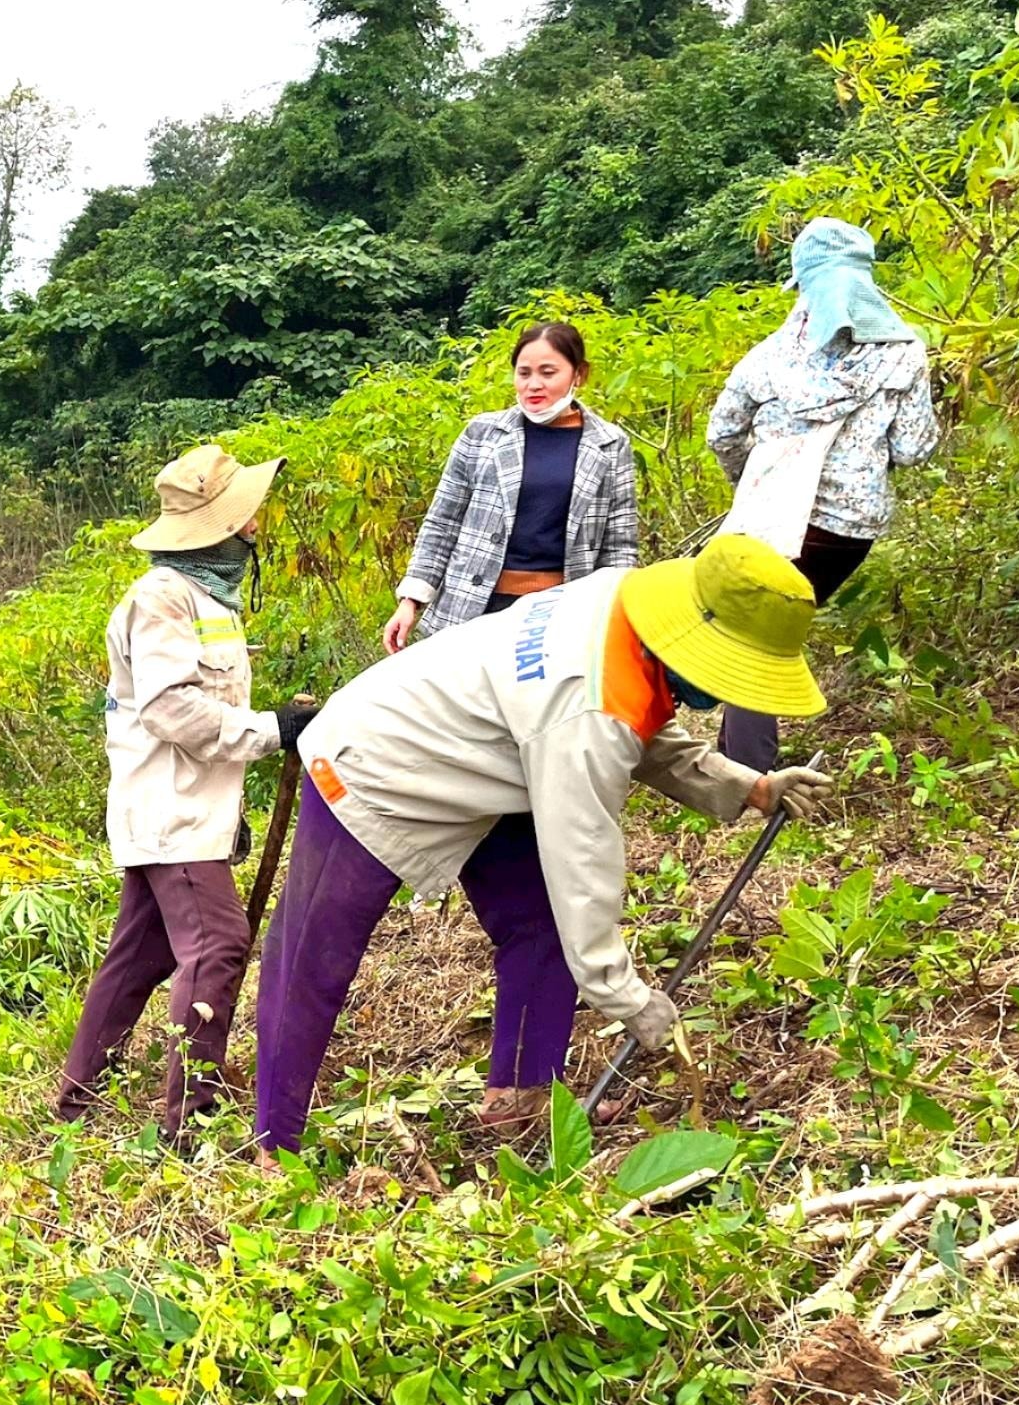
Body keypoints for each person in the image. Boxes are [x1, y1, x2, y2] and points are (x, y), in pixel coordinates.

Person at [253, 534, 838, 1156]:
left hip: (494, 753)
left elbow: (638, 721)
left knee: (539, 928)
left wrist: (751, 787)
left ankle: (522, 1101)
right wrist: (625, 994)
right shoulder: (583, 712)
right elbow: (580, 859)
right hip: (377, 762)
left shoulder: (625, 602)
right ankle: (273, 1142)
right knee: (315, 960)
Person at [55, 442, 316, 1145]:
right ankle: (188, 1123)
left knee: (141, 953)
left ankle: (76, 1103)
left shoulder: (208, 598)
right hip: (167, 809)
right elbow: (172, 709)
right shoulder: (161, 599)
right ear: (219, 528)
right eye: (246, 517)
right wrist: (272, 730)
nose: (256, 527)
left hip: (188, 809)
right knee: (219, 942)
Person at [707, 215, 937, 770]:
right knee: (767, 625)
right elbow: (912, 449)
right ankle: (741, 755)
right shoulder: (905, 353)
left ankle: (744, 765)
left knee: (746, 628)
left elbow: (723, 432)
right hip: (847, 531)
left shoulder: (770, 359)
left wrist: (750, 479)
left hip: (773, 518)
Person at [384, 321, 639, 653]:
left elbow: (619, 547)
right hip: (471, 609)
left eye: (548, 373)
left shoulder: (610, 445)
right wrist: (411, 600)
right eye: (524, 373)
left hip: (560, 617)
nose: (534, 384)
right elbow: (442, 522)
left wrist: (615, 614)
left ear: (579, 374)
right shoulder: (483, 434)